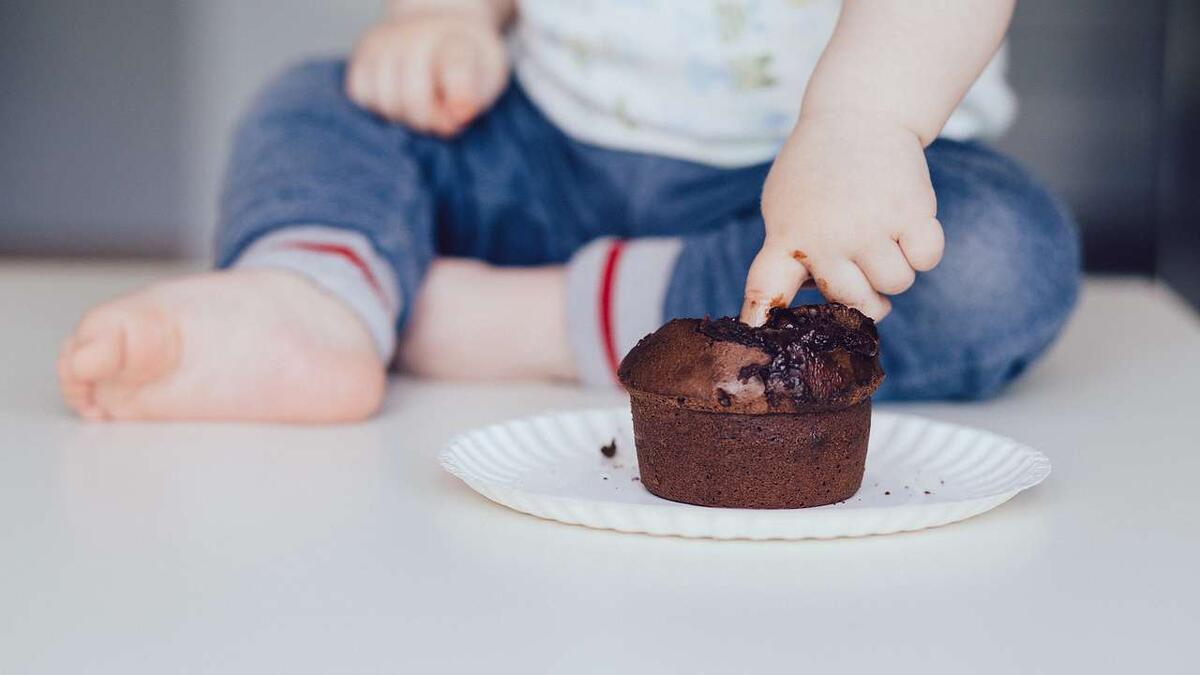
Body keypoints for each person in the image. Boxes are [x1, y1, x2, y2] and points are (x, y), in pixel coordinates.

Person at [56, 0, 1080, 423]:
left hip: (796, 214)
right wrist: (448, 17)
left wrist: (863, 120)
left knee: (996, 256)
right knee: (322, 101)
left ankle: (501, 319)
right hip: (542, 155)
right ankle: (311, 294)